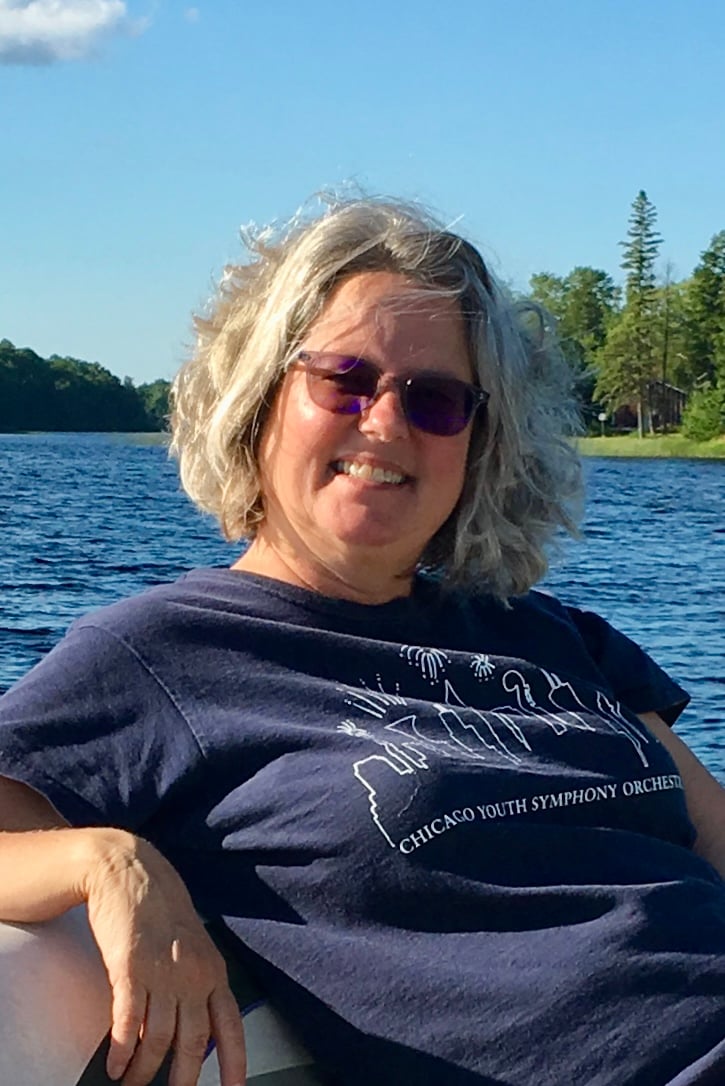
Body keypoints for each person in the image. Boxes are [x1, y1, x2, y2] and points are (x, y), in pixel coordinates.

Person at [0, 195, 724, 1086]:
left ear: (479, 443)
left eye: (436, 401)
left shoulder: (554, 635)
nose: (384, 423)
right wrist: (108, 861)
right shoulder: (163, 655)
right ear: (260, 397)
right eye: (342, 379)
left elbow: (714, 839)